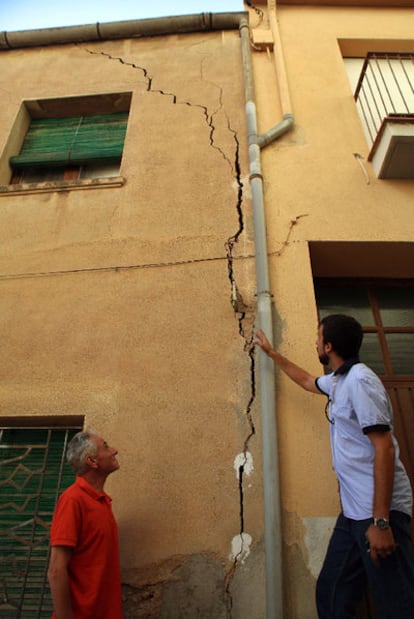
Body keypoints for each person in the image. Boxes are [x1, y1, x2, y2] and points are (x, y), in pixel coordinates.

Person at [255, 314, 414, 619]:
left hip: (378, 513)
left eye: (318, 338)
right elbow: (306, 380)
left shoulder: (360, 381)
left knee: (397, 605)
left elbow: (383, 448)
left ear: (328, 346)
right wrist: (272, 353)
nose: (315, 342)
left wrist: (381, 523)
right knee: (332, 594)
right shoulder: (339, 380)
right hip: (354, 513)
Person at [48, 430, 123, 619]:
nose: (115, 450)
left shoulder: (102, 502)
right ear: (92, 461)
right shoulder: (73, 500)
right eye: (105, 446)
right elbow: (56, 570)